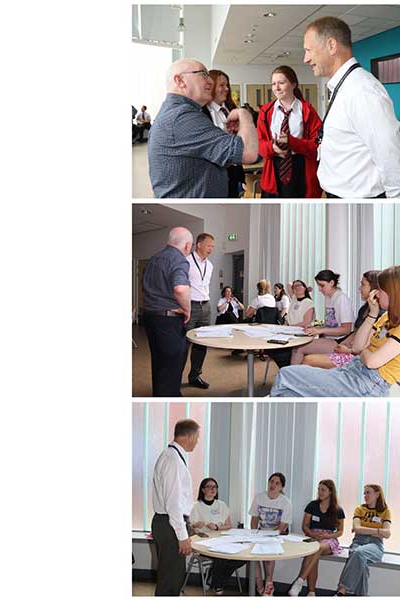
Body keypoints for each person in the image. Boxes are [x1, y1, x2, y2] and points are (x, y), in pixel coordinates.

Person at [302, 17, 400, 198]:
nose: (306, 58)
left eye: (308, 50)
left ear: (331, 45)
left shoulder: (362, 91)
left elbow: (393, 161)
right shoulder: (345, 87)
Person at [270, 265, 400, 397]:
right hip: (354, 369)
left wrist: (362, 349)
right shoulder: (385, 317)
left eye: (381, 290)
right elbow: (358, 347)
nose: (377, 294)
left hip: (368, 382)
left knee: (285, 374)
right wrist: (372, 314)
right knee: (289, 393)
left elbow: (371, 361)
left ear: (394, 292)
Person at [148, 59, 259, 198]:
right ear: (180, 80)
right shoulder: (183, 117)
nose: (210, 81)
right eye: (203, 74)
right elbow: (247, 153)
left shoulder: (178, 113)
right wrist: (246, 115)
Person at [257, 65, 323, 198]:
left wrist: (292, 142)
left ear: (293, 84)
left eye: (281, 83)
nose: (277, 88)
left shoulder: (307, 111)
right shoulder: (265, 112)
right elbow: (259, 144)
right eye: (274, 84)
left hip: (300, 168)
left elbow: (317, 147)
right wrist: (272, 147)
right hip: (274, 169)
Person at [151, 419, 200, 595]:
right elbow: (173, 503)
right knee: (170, 581)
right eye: (197, 437)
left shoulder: (172, 456)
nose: (197, 441)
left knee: (172, 577)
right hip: (170, 525)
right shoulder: (173, 461)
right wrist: (182, 536)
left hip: (167, 523)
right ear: (190, 436)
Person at [143, 227, 192, 397]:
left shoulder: (154, 258)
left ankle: (159, 394)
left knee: (159, 362)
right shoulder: (179, 260)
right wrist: (187, 309)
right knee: (172, 365)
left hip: (150, 318)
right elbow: (180, 289)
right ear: (187, 246)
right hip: (168, 320)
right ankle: (169, 396)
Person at [300, 271, 384, 369]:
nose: (360, 288)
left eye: (363, 284)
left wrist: (349, 350)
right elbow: (356, 332)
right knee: (305, 355)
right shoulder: (364, 309)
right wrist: (342, 344)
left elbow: (365, 343)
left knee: (307, 357)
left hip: (356, 354)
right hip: (349, 347)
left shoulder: (380, 314)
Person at [288, 479, 346, 597]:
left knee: (317, 548)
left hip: (329, 539)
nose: (319, 492)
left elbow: (340, 532)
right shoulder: (312, 505)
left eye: (323, 490)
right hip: (313, 536)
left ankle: (299, 581)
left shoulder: (338, 510)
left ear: (330, 492)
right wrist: (313, 535)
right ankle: (311, 593)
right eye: (318, 489)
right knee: (313, 554)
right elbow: (305, 526)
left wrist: (328, 536)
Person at [336, 484, 392, 596]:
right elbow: (357, 529)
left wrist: (365, 530)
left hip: (375, 545)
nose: (365, 495)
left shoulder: (385, 511)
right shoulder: (359, 509)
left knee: (359, 553)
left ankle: (342, 589)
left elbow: (387, 533)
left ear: (377, 494)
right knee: (361, 564)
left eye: (368, 492)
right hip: (358, 541)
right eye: (364, 493)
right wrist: (378, 531)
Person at [190, 478, 243, 594]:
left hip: (222, 540)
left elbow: (229, 525)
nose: (213, 489)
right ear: (203, 490)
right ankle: (219, 584)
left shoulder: (222, 505)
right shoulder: (196, 506)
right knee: (220, 556)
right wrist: (195, 525)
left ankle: (213, 576)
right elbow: (190, 529)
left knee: (242, 558)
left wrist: (217, 527)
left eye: (215, 487)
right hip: (204, 542)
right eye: (209, 486)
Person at [290, 270, 355, 365]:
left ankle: (291, 378)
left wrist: (320, 330)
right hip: (330, 338)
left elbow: (346, 330)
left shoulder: (341, 299)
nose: (320, 289)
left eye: (322, 285)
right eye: (318, 286)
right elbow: (331, 324)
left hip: (341, 341)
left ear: (332, 283)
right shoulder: (329, 297)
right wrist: (316, 328)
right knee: (299, 345)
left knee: (298, 349)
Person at [249, 472, 293, 596]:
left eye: (277, 483)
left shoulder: (285, 502)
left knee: (268, 554)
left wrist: (268, 537)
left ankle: (269, 583)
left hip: (277, 534)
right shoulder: (259, 497)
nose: (273, 485)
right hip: (260, 532)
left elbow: (282, 526)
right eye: (271, 481)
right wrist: (254, 534)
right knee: (253, 556)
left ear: (281, 487)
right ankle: (259, 584)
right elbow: (254, 519)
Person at [202, 69, 245, 197]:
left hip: (234, 172)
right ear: (212, 85)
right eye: (222, 85)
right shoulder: (202, 112)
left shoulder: (232, 110)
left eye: (227, 85)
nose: (226, 89)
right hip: (215, 174)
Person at [184, 233, 215, 389]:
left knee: (201, 343)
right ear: (199, 245)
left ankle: (195, 376)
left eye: (212, 246)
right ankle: (174, 378)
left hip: (206, 306)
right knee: (184, 344)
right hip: (190, 306)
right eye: (209, 245)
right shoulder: (187, 261)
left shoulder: (210, 265)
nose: (211, 249)